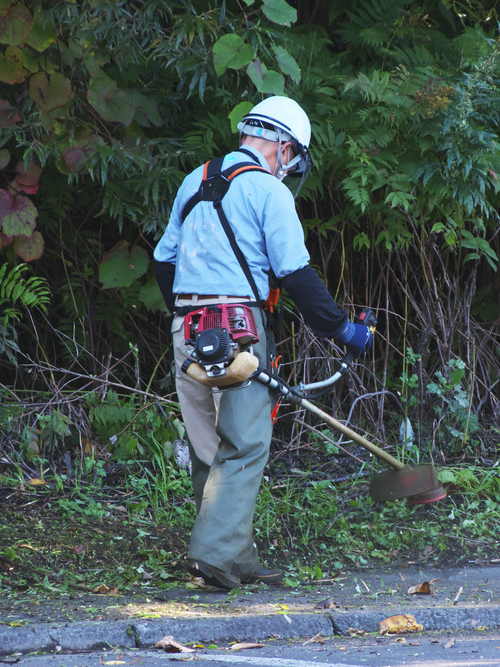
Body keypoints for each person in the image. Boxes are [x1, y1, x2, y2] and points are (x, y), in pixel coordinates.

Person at [152, 95, 373, 590]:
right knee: (246, 441)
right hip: (238, 329)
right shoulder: (269, 192)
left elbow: (164, 262)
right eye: (292, 159)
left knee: (209, 445)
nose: (289, 168)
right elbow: (296, 274)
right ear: (283, 146)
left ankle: (236, 557)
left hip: (187, 329)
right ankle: (213, 556)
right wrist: (343, 329)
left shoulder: (195, 180)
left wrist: (188, 320)